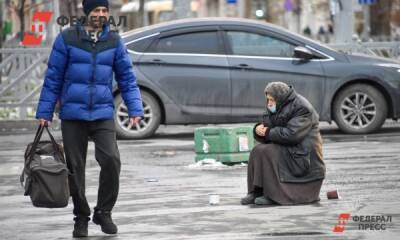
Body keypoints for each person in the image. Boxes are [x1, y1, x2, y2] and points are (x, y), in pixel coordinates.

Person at [35, 0, 144, 237]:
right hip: (73, 116)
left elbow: (126, 78)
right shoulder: (67, 39)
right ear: (87, 12)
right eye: (97, 10)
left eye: (105, 10)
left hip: (103, 113)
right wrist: (44, 112)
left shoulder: (114, 41)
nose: (101, 14)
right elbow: (53, 78)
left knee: (112, 160)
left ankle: (104, 212)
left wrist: (135, 109)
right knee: (75, 168)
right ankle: (81, 217)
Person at [241, 82, 325, 206]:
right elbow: (269, 128)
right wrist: (259, 130)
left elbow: (292, 135)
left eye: (271, 100)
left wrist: (268, 132)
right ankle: (256, 191)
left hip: (303, 155)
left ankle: (273, 195)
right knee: (257, 150)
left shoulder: (302, 107)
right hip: (290, 148)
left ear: (280, 98)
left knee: (268, 152)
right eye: (268, 99)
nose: (269, 103)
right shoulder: (277, 105)